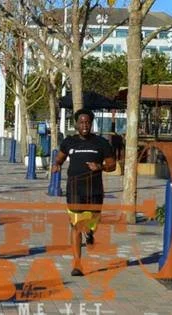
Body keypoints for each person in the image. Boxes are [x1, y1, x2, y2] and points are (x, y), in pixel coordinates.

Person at [50, 109, 116, 277]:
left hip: (94, 190)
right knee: (75, 225)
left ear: (91, 124)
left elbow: (112, 165)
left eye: (87, 122)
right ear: (76, 124)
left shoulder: (101, 143)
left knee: (91, 222)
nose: (84, 125)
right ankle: (77, 264)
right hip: (74, 189)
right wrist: (57, 164)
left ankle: (90, 232)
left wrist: (99, 167)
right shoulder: (69, 142)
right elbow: (60, 157)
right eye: (81, 122)